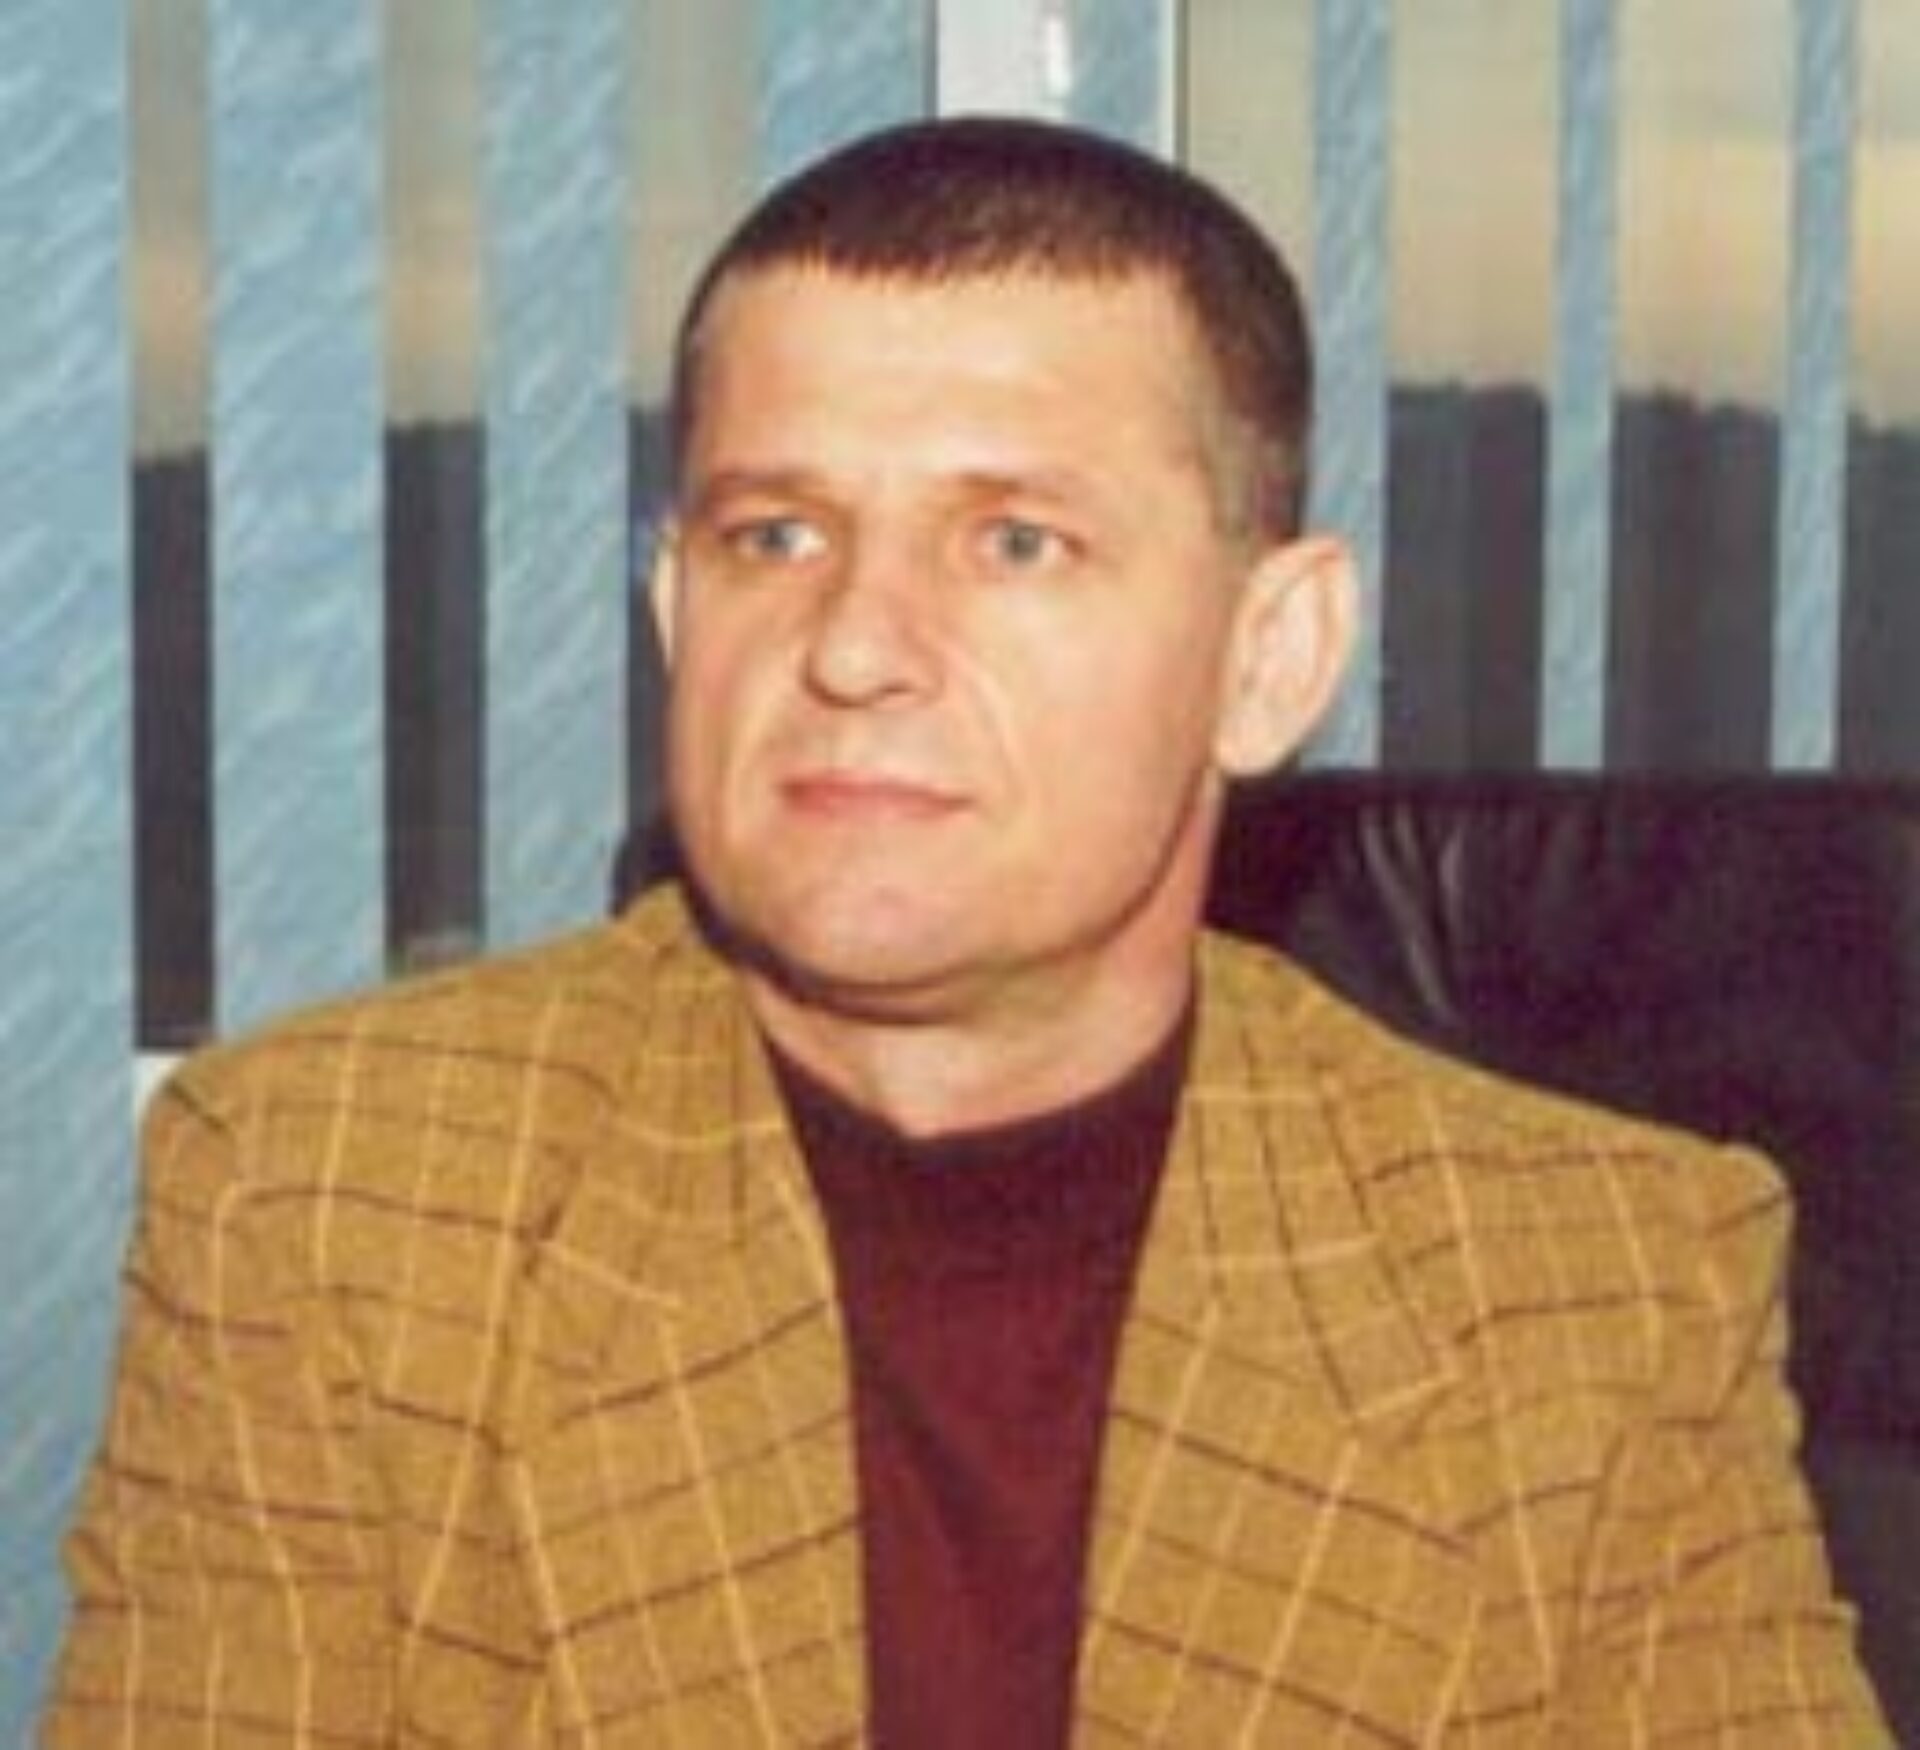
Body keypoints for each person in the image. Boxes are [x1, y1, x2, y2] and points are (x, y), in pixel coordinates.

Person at [48, 117, 1886, 1746]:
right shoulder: (334, 1206)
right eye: (776, 536)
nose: (854, 645)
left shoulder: (1595, 1285)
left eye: (1015, 542)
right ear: (679, 616)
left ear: (1269, 657)